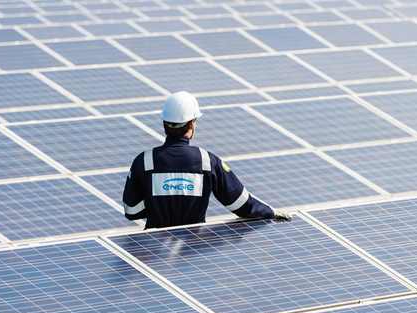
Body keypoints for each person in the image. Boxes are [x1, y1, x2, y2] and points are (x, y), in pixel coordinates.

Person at [122, 91, 292, 229]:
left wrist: (159, 204)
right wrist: (269, 211)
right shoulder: (207, 161)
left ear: (165, 124)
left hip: (154, 249)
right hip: (194, 252)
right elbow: (240, 204)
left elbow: (132, 211)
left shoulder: (144, 161)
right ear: (191, 124)